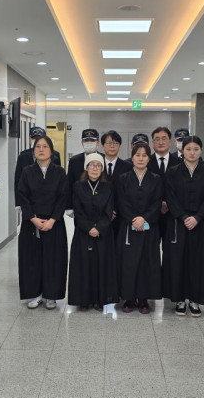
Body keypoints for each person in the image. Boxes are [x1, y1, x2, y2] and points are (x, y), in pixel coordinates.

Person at [162, 136, 204, 317]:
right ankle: (179, 299)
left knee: (199, 261)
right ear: (182, 150)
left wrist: (198, 217)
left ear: (201, 150)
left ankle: (195, 299)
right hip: (178, 222)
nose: (192, 153)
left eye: (196, 149)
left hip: (201, 224)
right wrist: (183, 216)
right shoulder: (173, 172)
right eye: (188, 149)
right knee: (178, 260)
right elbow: (170, 196)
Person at [17, 135, 69, 309]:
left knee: (53, 260)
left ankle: (51, 295)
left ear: (51, 151)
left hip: (54, 223)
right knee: (32, 260)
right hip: (32, 223)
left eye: (45, 146)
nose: (41, 149)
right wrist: (33, 218)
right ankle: (35, 294)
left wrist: (52, 220)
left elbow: (63, 197)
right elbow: (22, 196)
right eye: (38, 146)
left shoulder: (60, 172)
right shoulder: (27, 171)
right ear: (33, 151)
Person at [67, 153, 119, 310]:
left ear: (102, 169)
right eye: (92, 165)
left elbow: (109, 210)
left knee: (101, 265)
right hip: (83, 232)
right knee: (84, 265)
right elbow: (78, 211)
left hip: (103, 233)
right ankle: (84, 300)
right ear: (86, 168)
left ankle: (100, 299)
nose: (95, 168)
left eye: (98, 165)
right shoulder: (78, 186)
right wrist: (89, 228)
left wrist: (99, 228)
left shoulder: (108, 186)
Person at [116, 142, 163, 314]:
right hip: (128, 226)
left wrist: (144, 218)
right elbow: (121, 202)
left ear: (149, 158)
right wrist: (133, 219)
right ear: (132, 157)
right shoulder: (123, 178)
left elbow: (157, 202)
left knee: (147, 262)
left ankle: (143, 299)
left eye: (144, 155)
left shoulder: (156, 179)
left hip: (149, 227)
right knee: (128, 262)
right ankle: (129, 298)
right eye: (137, 155)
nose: (141, 158)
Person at [148, 126, 182, 237]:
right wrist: (159, 203)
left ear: (170, 141)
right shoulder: (146, 162)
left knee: (172, 246)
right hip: (151, 213)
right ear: (152, 142)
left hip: (174, 213)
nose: (161, 142)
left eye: (164, 138)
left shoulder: (180, 163)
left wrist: (169, 203)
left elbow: (182, 187)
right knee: (151, 246)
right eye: (157, 139)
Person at [13, 126, 60, 199]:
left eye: (40, 139)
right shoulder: (23, 157)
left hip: (49, 198)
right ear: (29, 140)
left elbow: (58, 181)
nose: (37, 141)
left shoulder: (54, 155)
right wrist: (18, 202)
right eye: (34, 139)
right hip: (28, 199)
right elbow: (17, 182)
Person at [102, 130, 132, 239]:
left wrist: (115, 210)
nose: (112, 146)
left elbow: (127, 193)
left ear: (119, 146)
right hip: (100, 214)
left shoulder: (128, 166)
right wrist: (106, 212)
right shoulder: (97, 166)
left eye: (115, 143)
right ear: (103, 146)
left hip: (121, 215)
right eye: (109, 143)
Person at [66, 128, 102, 206]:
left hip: (100, 204)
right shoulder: (74, 161)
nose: (89, 143)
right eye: (86, 140)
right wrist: (69, 206)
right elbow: (69, 185)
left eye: (92, 140)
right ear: (82, 143)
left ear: (98, 143)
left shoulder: (103, 159)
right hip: (78, 204)